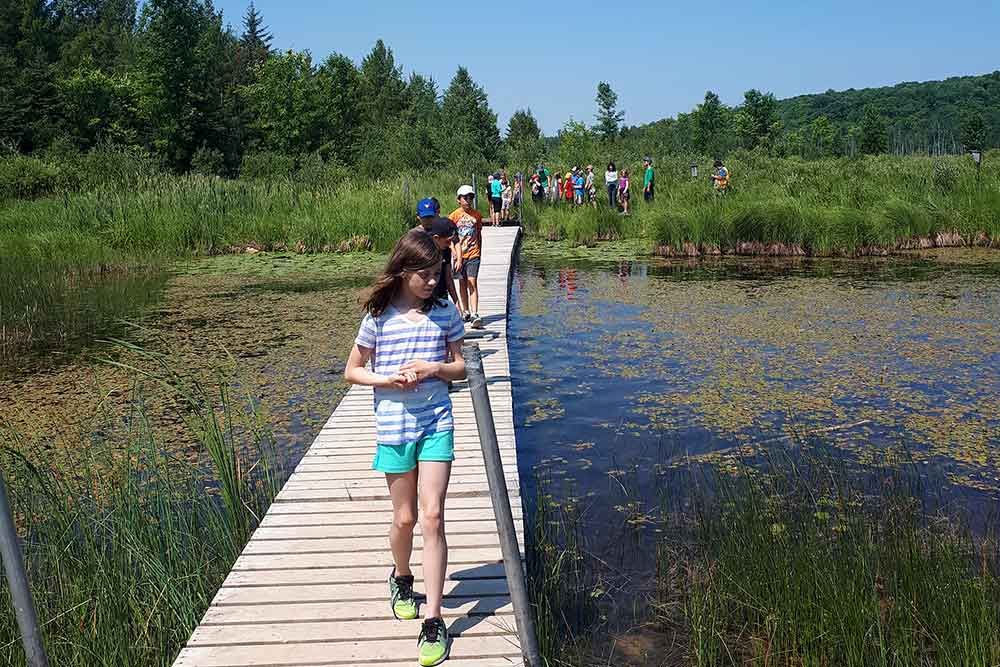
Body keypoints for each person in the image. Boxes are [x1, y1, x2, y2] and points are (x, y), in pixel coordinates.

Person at [344, 229, 466, 667]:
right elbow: (352, 370)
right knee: (405, 517)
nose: (433, 282)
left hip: (437, 422)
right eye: (425, 275)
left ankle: (433, 618)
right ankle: (401, 576)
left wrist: (435, 367)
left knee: (432, 516)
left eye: (437, 274)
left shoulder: (446, 312)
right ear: (402, 271)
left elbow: (460, 367)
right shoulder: (378, 316)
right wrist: (386, 379)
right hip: (394, 427)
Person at [449, 185, 484, 329]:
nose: (468, 200)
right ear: (459, 200)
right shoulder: (454, 216)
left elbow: (479, 233)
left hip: (473, 253)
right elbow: (449, 238)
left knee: (472, 282)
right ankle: (465, 311)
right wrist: (454, 252)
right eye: (465, 198)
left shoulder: (477, 215)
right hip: (459, 256)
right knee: (462, 283)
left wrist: (480, 249)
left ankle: (475, 313)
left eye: (471, 197)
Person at [427, 217, 460, 305]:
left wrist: (457, 303)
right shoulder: (424, 252)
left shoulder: (445, 250)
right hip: (425, 297)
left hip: (442, 296)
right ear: (436, 238)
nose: (450, 245)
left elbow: (448, 278)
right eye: (448, 241)